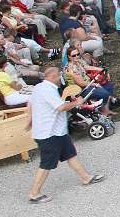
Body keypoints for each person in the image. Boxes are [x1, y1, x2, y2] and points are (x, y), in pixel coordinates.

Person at [25, 64, 104, 203]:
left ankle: (85, 177)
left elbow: (30, 105)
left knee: (70, 154)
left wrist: (29, 122)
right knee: (47, 163)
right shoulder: (47, 90)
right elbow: (60, 107)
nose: (60, 79)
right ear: (52, 76)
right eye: (59, 76)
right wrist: (76, 103)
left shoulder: (38, 88)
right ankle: (34, 193)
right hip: (49, 133)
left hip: (57, 131)